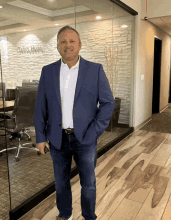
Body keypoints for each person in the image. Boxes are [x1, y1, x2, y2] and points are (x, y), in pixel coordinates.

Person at [34, 25, 115, 220]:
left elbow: (107, 103)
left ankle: (89, 216)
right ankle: (65, 214)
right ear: (57, 46)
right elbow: (40, 107)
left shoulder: (95, 70)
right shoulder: (48, 72)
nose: (67, 45)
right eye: (63, 41)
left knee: (88, 183)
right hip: (57, 139)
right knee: (61, 183)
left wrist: (94, 132)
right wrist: (40, 137)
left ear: (80, 45)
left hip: (85, 139)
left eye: (72, 41)